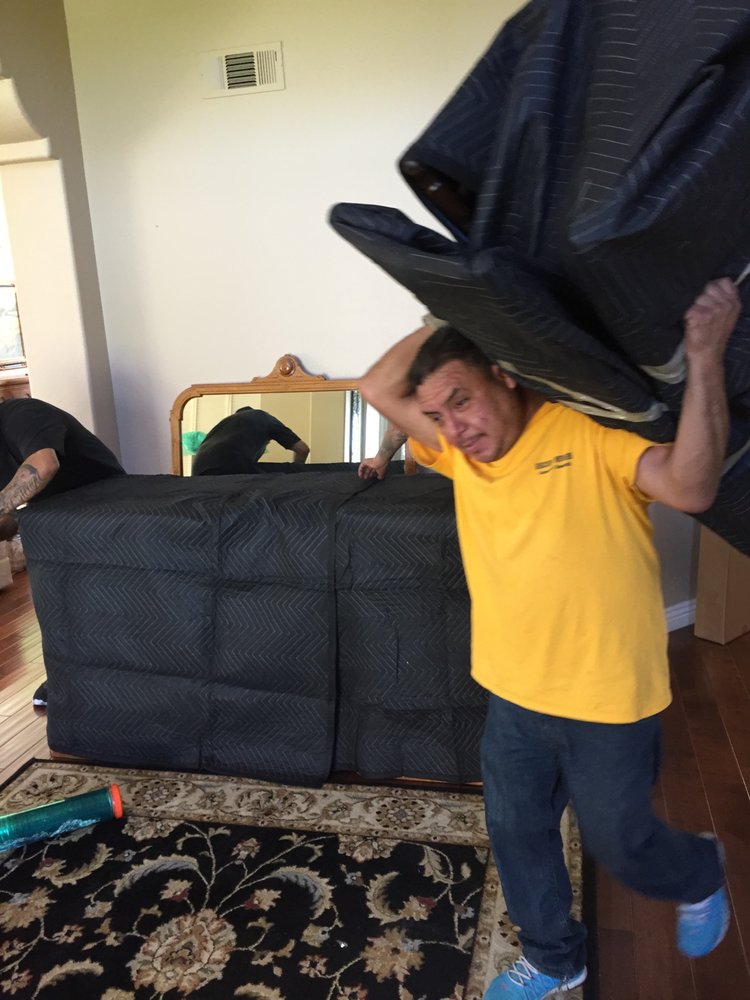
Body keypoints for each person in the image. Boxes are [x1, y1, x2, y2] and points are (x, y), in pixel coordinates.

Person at [359, 277, 741, 1000]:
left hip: (609, 698)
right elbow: (377, 386)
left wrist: (705, 358)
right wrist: (457, 299)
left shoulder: (586, 428)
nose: (452, 427)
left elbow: (692, 488)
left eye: (461, 400)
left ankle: (699, 871)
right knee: (518, 832)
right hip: (513, 692)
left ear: (503, 373)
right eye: (436, 414)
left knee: (622, 843)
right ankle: (557, 958)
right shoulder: (462, 454)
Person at [0, 397, 125, 710]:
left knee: (107, 603)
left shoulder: (22, 414)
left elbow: (44, 465)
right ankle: (66, 678)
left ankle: (119, 680)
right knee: (56, 603)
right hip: (56, 519)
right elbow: (9, 519)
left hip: (110, 508)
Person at [191, 406, 309, 475]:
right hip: (227, 464)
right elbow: (302, 449)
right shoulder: (264, 417)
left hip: (198, 470)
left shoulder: (225, 423)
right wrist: (296, 474)